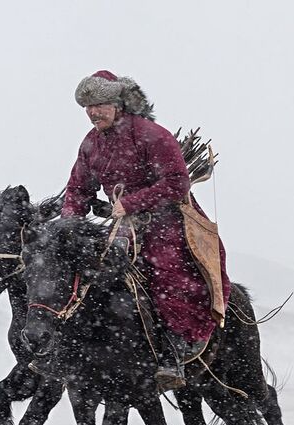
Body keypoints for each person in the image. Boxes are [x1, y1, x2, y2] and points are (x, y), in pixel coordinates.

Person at [61, 69, 231, 389]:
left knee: (167, 272)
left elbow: (177, 183)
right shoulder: (90, 144)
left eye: (99, 105)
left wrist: (132, 203)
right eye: (87, 107)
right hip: (122, 227)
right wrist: (68, 224)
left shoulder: (151, 135)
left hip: (168, 221)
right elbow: (78, 189)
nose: (93, 113)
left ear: (118, 104)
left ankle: (174, 350)